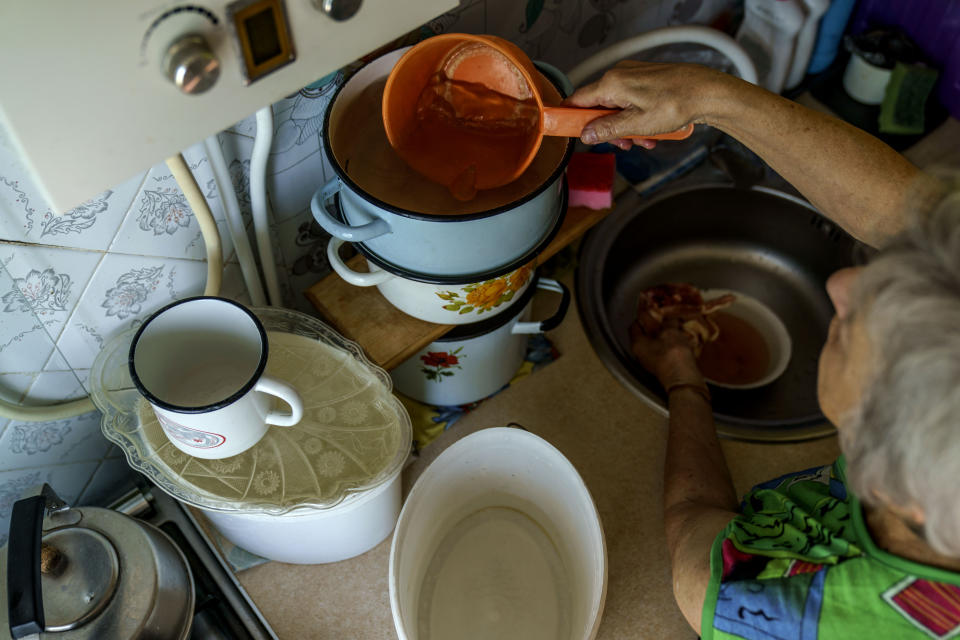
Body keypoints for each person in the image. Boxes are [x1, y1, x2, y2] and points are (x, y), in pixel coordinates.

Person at [567, 62, 959, 639]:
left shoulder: (770, 605)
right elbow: (907, 220)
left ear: (894, 486)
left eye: (860, 328)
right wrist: (708, 94)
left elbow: (691, 524)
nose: (841, 286)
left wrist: (682, 376)